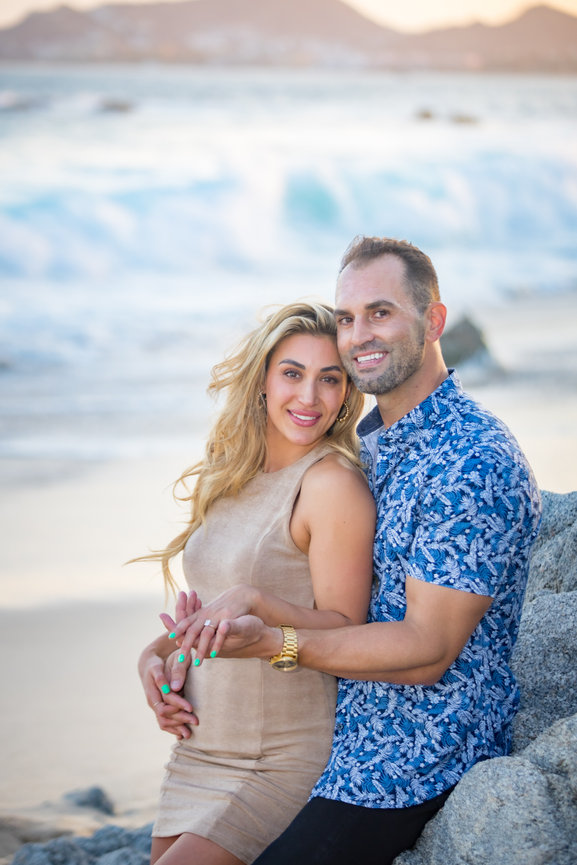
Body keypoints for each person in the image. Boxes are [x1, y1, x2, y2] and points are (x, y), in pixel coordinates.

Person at [174, 237, 542, 865]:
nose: (358, 335)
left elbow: (427, 651)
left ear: (434, 321)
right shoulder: (375, 448)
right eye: (346, 318)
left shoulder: (471, 460)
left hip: (410, 760)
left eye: (381, 312)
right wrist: (174, 649)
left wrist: (274, 642)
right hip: (332, 737)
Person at [136, 301, 376, 865]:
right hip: (199, 751)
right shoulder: (231, 473)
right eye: (293, 373)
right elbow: (213, 611)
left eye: (330, 379)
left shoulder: (330, 484)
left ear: (347, 392)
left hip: (277, 759)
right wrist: (155, 658)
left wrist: (258, 603)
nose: (309, 397)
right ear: (263, 380)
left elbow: (349, 628)